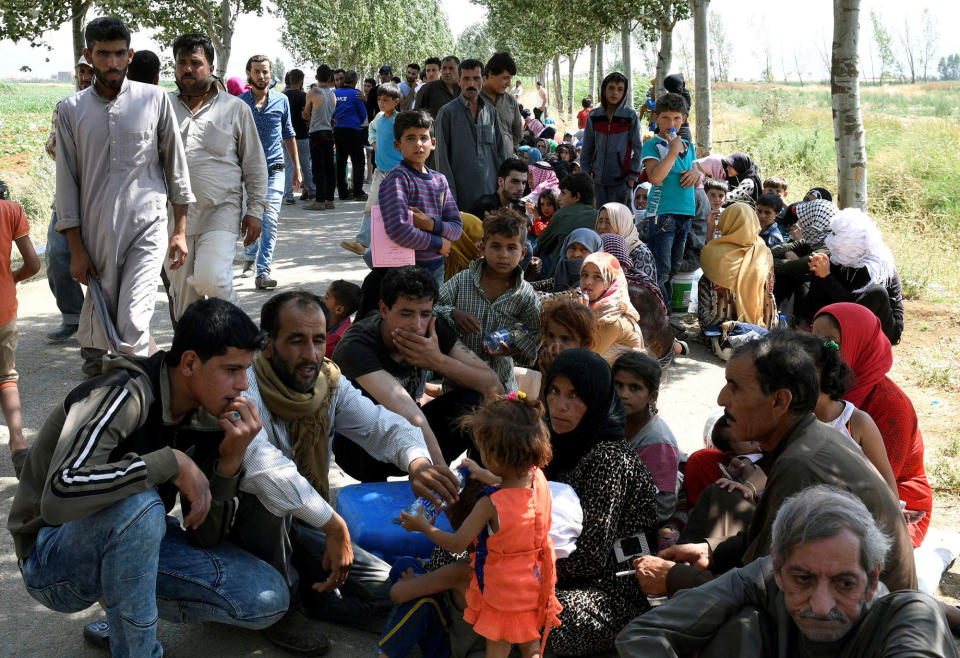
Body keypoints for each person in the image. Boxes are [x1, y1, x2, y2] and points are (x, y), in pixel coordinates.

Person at [8, 299, 290, 656]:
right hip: (50, 556)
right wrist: (167, 462)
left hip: (134, 539)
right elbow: (59, 494)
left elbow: (204, 535)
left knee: (265, 597)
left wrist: (228, 465)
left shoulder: (209, 417)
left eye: (245, 371)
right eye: (231, 370)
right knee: (140, 505)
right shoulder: (122, 393)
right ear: (189, 363)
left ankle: (121, 617)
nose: (242, 386)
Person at [229, 291, 461, 654]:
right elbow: (262, 467)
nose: (310, 354)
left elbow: (384, 426)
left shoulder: (327, 382)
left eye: (318, 340)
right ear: (268, 344)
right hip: (249, 528)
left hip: (308, 521)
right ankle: (286, 608)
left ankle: (316, 596)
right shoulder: (244, 386)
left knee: (391, 587)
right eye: (296, 341)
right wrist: (333, 524)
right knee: (266, 498)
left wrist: (417, 463)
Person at [631, 334, 917, 599]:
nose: (721, 399)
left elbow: (769, 590)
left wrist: (675, 578)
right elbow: (768, 541)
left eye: (735, 386)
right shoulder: (804, 440)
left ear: (780, 401)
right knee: (718, 498)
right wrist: (711, 550)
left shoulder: (800, 463)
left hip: (859, 616)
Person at [617, 485, 958, 657]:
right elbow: (642, 634)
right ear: (779, 570)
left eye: (845, 583)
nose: (822, 605)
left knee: (927, 579)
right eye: (803, 579)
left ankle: (943, 552)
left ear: (871, 581)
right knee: (741, 625)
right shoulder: (765, 577)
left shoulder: (911, 617)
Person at [56, 17, 194, 377]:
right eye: (103, 54)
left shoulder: (154, 98)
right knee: (104, 321)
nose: (113, 63)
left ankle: (135, 400)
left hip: (147, 227)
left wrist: (179, 230)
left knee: (134, 318)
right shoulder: (70, 110)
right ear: (89, 55)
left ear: (130, 54)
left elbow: (176, 169)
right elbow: (67, 183)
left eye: (120, 54)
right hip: (96, 234)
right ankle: (123, 389)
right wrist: (75, 249)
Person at [399, 394, 561, 658]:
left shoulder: (490, 504)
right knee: (530, 646)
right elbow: (509, 482)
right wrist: (482, 473)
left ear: (497, 456)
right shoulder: (537, 479)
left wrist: (424, 527)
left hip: (503, 592)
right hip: (535, 581)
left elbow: (457, 543)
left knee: (496, 647)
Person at [332, 266, 502, 479]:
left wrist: (438, 361)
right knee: (385, 434)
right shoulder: (356, 345)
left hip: (414, 431)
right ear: (384, 310)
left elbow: (493, 385)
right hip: (361, 443)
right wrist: (438, 468)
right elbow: (406, 411)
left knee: (478, 404)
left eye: (424, 314)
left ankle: (477, 491)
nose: (417, 324)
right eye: (406, 314)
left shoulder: (433, 325)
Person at [542, 349, 658, 655]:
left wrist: (520, 570)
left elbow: (590, 558)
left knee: (537, 616)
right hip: (547, 568)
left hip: (609, 590)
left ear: (595, 400)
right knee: (454, 557)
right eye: (554, 391)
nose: (560, 405)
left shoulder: (609, 459)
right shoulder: (551, 442)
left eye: (575, 395)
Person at [165, 33, 267, 322]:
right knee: (183, 297)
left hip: (221, 210)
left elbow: (255, 165)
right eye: (181, 62)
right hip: (174, 218)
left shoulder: (235, 109)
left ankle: (243, 336)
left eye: (195, 62)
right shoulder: (163, 108)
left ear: (210, 67)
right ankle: (197, 359)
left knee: (212, 278)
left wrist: (256, 211)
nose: (187, 68)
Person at [812, 303, 932, 547]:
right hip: (826, 486)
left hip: (897, 500)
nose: (819, 351)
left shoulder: (891, 405)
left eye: (831, 342)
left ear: (860, 343)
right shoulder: (818, 385)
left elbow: (880, 483)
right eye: (814, 340)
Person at [436, 210, 541, 392]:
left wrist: (512, 347)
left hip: (501, 385)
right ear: (482, 247)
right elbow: (432, 307)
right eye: (496, 246)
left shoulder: (525, 294)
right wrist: (453, 313)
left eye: (511, 248)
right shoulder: (463, 281)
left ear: (523, 252)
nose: (503, 255)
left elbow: (536, 331)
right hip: (458, 383)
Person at [791, 331, 898, 495]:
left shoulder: (856, 423)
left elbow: (888, 486)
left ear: (826, 374)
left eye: (802, 372)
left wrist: (894, 514)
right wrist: (750, 485)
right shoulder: (794, 419)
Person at [376, 110, 463, 284]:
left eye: (423, 138)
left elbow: (456, 227)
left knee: (430, 311)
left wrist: (430, 224)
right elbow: (399, 230)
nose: (418, 144)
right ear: (397, 145)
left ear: (433, 143)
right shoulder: (398, 179)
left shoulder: (440, 180)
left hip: (436, 267)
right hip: (404, 271)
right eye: (410, 138)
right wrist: (439, 243)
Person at [43, 55, 93, 343]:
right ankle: (72, 316)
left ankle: (101, 321)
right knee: (58, 256)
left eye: (89, 72)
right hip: (66, 198)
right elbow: (51, 146)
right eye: (81, 72)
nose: (85, 77)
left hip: (100, 200)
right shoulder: (65, 107)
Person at [239, 54, 300, 291]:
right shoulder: (240, 103)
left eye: (265, 71)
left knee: (271, 219)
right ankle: (249, 254)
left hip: (275, 169)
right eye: (257, 71)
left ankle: (263, 271)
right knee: (251, 217)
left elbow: (289, 134)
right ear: (249, 74)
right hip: (248, 173)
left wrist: (296, 169)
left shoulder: (281, 100)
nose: (262, 76)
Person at [809, 208, 904, 345]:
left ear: (853, 241)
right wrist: (819, 273)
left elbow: (854, 309)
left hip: (884, 331)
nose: (831, 240)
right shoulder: (839, 260)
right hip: (842, 324)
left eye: (837, 236)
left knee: (876, 292)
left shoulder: (877, 268)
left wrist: (827, 277)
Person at [612, 351, 681, 533]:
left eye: (635, 388)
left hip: (639, 523)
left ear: (652, 396)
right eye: (618, 385)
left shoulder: (658, 441)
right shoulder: (611, 420)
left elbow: (662, 506)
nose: (623, 394)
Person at [641, 92, 698, 303]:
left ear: (683, 119)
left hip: (685, 213)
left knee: (674, 268)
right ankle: (662, 317)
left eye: (676, 118)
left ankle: (668, 317)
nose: (670, 123)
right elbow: (655, 177)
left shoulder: (689, 147)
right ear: (656, 118)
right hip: (662, 214)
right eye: (665, 118)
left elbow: (695, 171)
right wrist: (672, 152)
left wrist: (696, 173)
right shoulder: (652, 145)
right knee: (661, 270)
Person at [337, 82, 403, 254]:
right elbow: (372, 129)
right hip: (380, 171)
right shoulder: (379, 117)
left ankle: (398, 244)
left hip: (399, 172)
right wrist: (373, 142)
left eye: (386, 100)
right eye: (380, 99)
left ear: (396, 101)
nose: (381, 103)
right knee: (372, 206)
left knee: (398, 209)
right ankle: (362, 242)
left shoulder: (401, 121)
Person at [0, 191, 40, 470]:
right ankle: (18, 443)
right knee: (6, 377)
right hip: (4, 311)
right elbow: (34, 264)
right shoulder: (10, 210)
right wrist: (9, 279)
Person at [435, 59, 506, 213]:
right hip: (461, 199)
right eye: (466, 79)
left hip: (491, 196)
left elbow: (500, 154)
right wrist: (449, 199)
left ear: (483, 80)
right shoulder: (447, 113)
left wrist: (503, 191)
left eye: (476, 78)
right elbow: (442, 161)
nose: (471, 83)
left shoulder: (491, 112)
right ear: (459, 80)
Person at [698, 203, 778, 334]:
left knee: (705, 280)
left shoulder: (713, 252)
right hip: (763, 327)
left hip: (718, 328)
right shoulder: (763, 251)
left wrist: (710, 231)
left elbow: (707, 256)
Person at [581, 73, 644, 207]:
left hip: (622, 181)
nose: (615, 92)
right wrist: (586, 175)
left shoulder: (630, 116)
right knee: (600, 220)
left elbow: (638, 148)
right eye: (611, 88)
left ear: (624, 92)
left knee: (620, 223)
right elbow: (587, 147)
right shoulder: (594, 115)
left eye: (620, 89)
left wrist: (632, 178)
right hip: (597, 181)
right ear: (604, 90)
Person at [771, 199, 838, 314]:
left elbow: (791, 267)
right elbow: (777, 250)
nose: (799, 224)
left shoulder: (828, 248)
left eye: (805, 220)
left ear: (816, 222)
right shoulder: (816, 240)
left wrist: (763, 259)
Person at [580, 252, 646, 364]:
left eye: (597, 277)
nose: (588, 282)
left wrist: (581, 316)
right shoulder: (593, 307)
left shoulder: (612, 318)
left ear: (611, 281)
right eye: (585, 275)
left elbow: (584, 359)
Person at [536, 172, 598, 277]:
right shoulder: (598, 216)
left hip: (561, 277)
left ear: (577, 197)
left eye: (563, 193)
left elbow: (542, 244)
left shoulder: (561, 214)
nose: (559, 198)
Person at [303, 64, 338, 212]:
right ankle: (330, 199)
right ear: (330, 78)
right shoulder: (332, 95)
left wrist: (306, 117)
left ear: (316, 77)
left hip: (316, 133)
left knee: (318, 168)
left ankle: (319, 200)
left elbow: (306, 113)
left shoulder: (313, 92)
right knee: (330, 167)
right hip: (329, 133)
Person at [536, 297, 599, 376]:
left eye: (565, 339)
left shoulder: (587, 376)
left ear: (584, 344)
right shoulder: (542, 363)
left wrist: (551, 374)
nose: (554, 345)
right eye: (551, 335)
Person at [281, 68, 316, 204]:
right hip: (301, 135)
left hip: (285, 136)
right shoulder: (304, 96)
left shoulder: (281, 96)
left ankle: (288, 195)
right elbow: (306, 116)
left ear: (289, 80)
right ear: (301, 80)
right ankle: (312, 190)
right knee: (305, 164)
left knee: (288, 165)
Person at [333, 69, 368, 202]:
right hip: (352, 130)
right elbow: (363, 114)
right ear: (354, 81)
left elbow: (332, 110)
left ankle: (343, 193)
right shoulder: (356, 94)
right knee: (358, 160)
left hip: (338, 130)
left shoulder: (335, 93)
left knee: (341, 162)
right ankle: (358, 192)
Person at [480, 51, 524, 157]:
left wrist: (505, 145)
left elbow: (518, 135)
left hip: (505, 167)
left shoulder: (510, 101)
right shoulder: (473, 99)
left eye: (510, 78)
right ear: (491, 74)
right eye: (505, 78)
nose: (509, 83)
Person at [552, 227, 603, 292]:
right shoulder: (561, 270)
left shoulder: (600, 284)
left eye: (584, 249)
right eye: (572, 248)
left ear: (595, 252)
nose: (576, 254)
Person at [414, 55, 461, 123]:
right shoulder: (427, 89)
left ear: (459, 70)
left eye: (451, 68)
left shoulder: (464, 88)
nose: (447, 72)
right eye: (444, 68)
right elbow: (416, 115)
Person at [323, 279, 361, 358]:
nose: (322, 299)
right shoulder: (335, 321)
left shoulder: (338, 342)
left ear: (339, 309)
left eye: (327, 297)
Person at [444, 212, 483, 282]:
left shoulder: (475, 265)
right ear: (464, 238)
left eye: (483, 239)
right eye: (479, 239)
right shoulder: (442, 260)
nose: (482, 245)